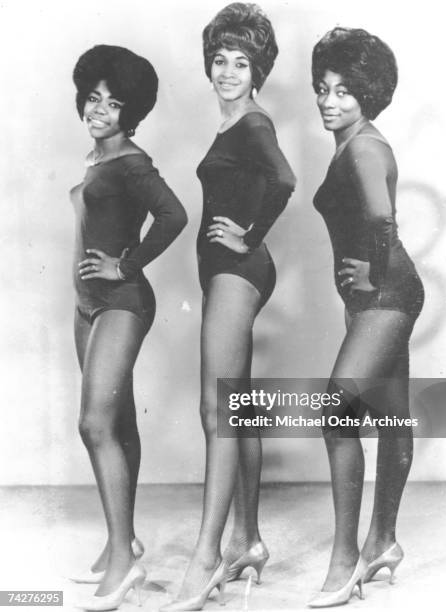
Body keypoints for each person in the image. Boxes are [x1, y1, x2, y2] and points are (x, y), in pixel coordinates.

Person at [161, 4, 295, 611]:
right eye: (220, 60)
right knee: (232, 406)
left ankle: (208, 557)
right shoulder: (233, 124)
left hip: (239, 270)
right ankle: (249, 541)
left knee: (216, 411)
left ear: (258, 69)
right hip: (227, 272)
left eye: (241, 62)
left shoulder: (254, 125)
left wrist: (248, 233)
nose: (228, 71)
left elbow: (285, 180)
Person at [308, 28, 424, 607]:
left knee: (337, 412)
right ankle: (383, 543)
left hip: (388, 295)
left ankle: (345, 557)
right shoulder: (354, 140)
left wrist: (375, 277)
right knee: (393, 418)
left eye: (345, 91)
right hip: (379, 297)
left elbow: (381, 221)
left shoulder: (365, 148)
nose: (330, 101)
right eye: (323, 89)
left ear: (369, 93)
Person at [69, 44, 187, 610]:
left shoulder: (132, 161)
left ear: (130, 112)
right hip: (87, 305)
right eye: (93, 98)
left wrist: (128, 263)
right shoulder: (97, 158)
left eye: (113, 104)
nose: (99, 110)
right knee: (114, 420)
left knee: (94, 424)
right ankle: (124, 539)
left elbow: (175, 215)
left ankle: (123, 561)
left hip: (122, 302)